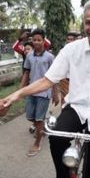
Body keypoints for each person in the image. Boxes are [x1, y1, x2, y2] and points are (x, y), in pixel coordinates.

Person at [3, 0, 90, 178]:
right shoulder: (71, 49)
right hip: (76, 108)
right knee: (57, 138)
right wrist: (17, 94)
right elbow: (48, 80)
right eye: (88, 22)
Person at [19, 28, 59, 157]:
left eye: (39, 40)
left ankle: (37, 142)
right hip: (32, 90)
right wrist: (20, 90)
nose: (36, 42)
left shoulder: (49, 57)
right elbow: (26, 73)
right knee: (30, 117)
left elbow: (55, 76)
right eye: (34, 40)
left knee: (38, 118)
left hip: (44, 92)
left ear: (43, 41)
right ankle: (42, 127)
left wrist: (55, 92)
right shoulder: (29, 55)